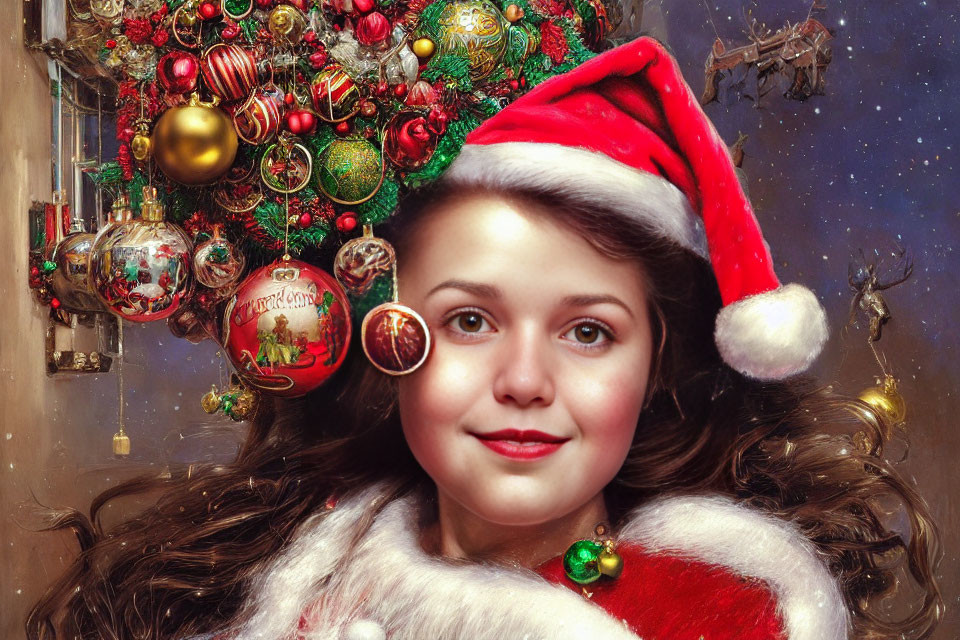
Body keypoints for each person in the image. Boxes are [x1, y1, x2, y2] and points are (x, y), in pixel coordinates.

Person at [27, 38, 941, 640]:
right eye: (469, 320)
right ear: (382, 339)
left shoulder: (730, 610)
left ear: (657, 361)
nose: (525, 380)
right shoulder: (285, 577)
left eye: (589, 331)